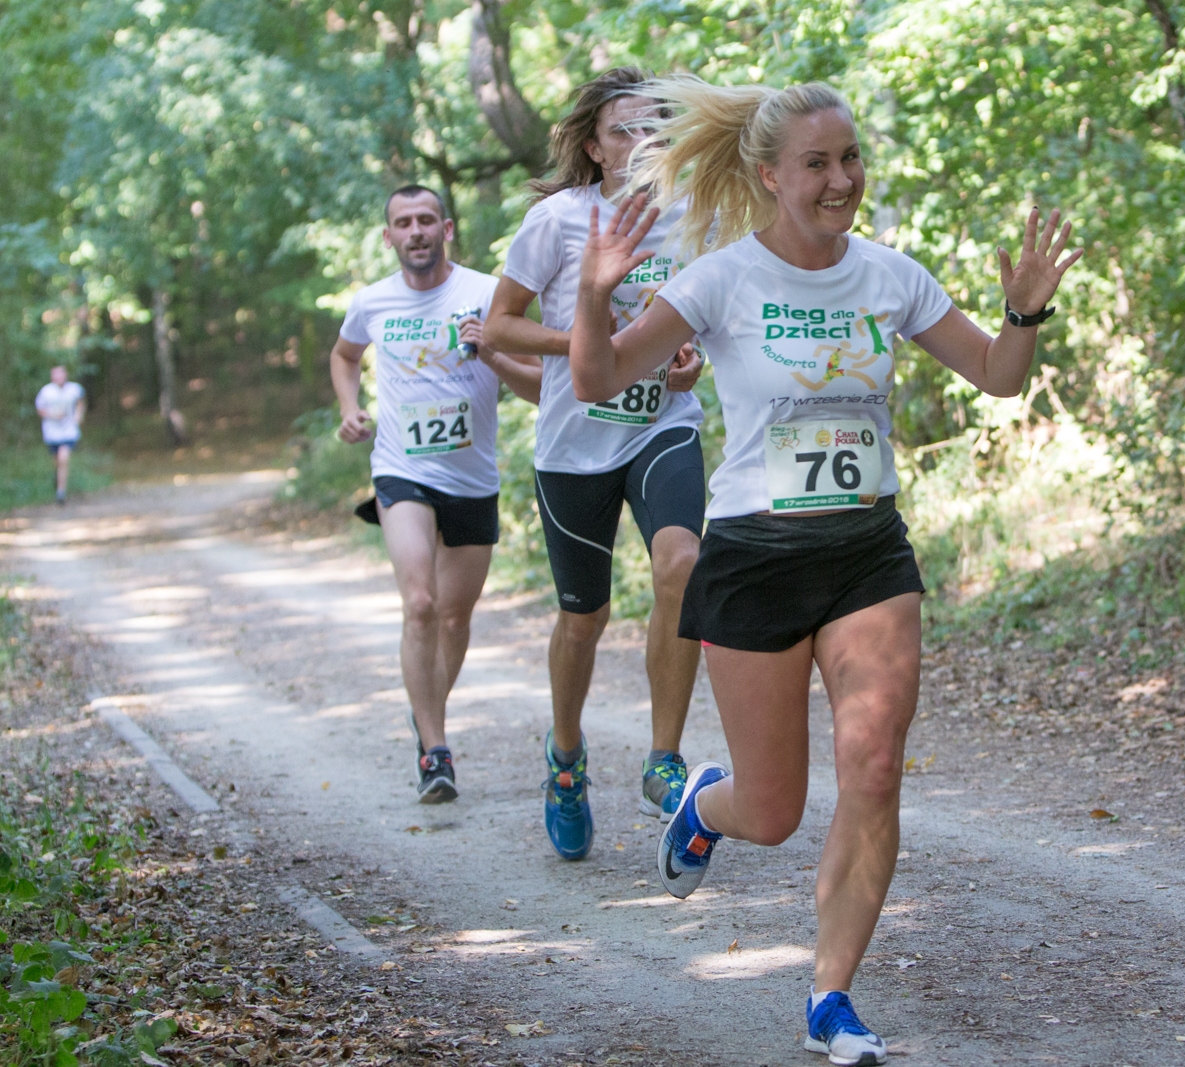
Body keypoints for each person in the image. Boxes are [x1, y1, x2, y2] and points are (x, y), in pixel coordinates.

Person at [567, 78, 1083, 1065]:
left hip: (865, 553)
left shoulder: (890, 275)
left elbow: (997, 375)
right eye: (817, 163)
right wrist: (595, 296)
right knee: (771, 811)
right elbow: (597, 377)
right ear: (770, 175)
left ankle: (830, 997)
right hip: (754, 557)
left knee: (875, 766)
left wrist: (1023, 312)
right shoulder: (720, 280)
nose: (841, 179)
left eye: (849, 158)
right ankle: (702, 805)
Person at [483, 68, 706, 861]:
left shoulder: (695, 215)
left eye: (654, 129)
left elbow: (704, 322)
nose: (640, 142)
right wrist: (593, 346)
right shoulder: (556, 220)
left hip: (660, 427)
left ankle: (663, 758)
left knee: (683, 563)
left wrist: (685, 360)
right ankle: (567, 760)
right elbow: (498, 326)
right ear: (593, 147)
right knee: (585, 618)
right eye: (623, 130)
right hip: (574, 446)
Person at [330, 184, 543, 803]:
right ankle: (435, 749)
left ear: (446, 229)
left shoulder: (487, 293)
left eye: (426, 220)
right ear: (388, 237)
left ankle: (426, 709)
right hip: (401, 469)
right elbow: (344, 356)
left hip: (472, 479)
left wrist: (493, 353)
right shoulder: (371, 302)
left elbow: (540, 384)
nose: (416, 231)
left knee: (453, 616)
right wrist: (349, 408)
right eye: (403, 223)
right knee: (420, 603)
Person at [36, 366, 86, 505]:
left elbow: (80, 401)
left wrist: (78, 415)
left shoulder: (74, 389)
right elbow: (40, 409)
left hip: (68, 431)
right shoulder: (46, 391)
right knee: (57, 461)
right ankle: (58, 478)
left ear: (66, 375)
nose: (59, 378)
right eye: (56, 375)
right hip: (52, 432)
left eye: (61, 375)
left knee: (63, 458)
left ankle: (61, 492)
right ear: (52, 377)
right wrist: (53, 415)